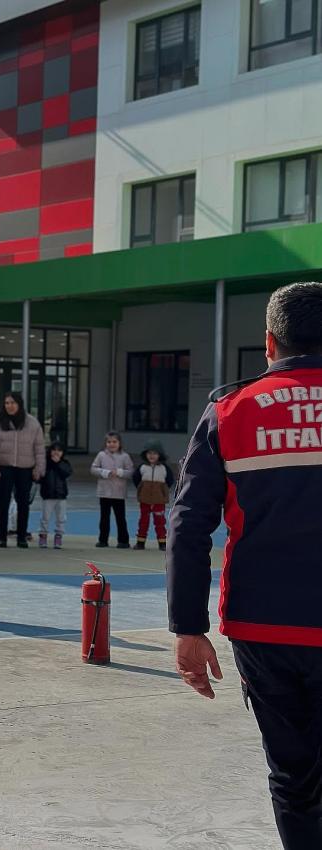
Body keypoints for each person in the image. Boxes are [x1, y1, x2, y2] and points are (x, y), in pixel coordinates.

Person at [168, 281, 322, 849]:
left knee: (294, 777)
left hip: (264, 626)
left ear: (269, 343)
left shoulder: (231, 409)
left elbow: (187, 524)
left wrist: (188, 627)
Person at [0, 391, 45, 548]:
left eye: (12, 403)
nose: (10, 406)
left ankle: (21, 536)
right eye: (7, 403)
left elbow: (39, 448)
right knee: (3, 503)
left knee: (23, 503)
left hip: (25, 468)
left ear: (19, 404)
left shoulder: (32, 423)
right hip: (3, 467)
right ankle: (2, 537)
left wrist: (39, 468)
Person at [90, 431, 133, 549]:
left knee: (120, 518)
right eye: (109, 442)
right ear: (105, 443)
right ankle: (103, 540)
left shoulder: (125, 456)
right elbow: (93, 469)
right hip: (104, 492)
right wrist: (104, 472)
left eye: (114, 442)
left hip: (119, 493)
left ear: (119, 443)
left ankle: (123, 541)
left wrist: (120, 472)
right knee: (104, 518)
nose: (111, 444)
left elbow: (131, 472)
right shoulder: (101, 455)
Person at [133, 440, 174, 551]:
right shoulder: (142, 467)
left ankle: (162, 543)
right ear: (145, 455)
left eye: (155, 453)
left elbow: (170, 480)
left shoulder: (164, 468)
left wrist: (161, 490)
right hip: (144, 500)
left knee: (160, 522)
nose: (152, 456)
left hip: (159, 500)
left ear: (159, 455)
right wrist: (142, 489)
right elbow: (136, 479)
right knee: (143, 521)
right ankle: (140, 542)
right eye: (149, 453)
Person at [39, 441, 72, 550]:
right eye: (54, 450)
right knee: (45, 517)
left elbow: (67, 473)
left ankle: (59, 536)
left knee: (61, 518)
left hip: (61, 495)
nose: (56, 453)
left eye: (59, 450)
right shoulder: (45, 463)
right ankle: (43, 535)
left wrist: (58, 464)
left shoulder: (65, 463)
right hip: (47, 495)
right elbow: (40, 477)